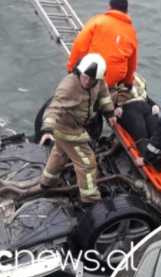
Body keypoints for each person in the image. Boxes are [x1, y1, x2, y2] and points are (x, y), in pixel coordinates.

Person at [37, 53, 118, 204]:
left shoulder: (98, 83)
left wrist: (109, 112)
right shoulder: (68, 87)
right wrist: (47, 129)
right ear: (79, 71)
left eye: (91, 79)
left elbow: (104, 94)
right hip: (67, 130)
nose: (87, 81)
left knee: (60, 154)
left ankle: (46, 183)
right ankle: (90, 199)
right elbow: (54, 108)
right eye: (85, 77)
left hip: (75, 127)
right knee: (87, 162)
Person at [67, 0, 138, 88]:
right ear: (127, 11)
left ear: (110, 8)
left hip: (91, 74)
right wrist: (128, 82)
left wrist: (71, 69)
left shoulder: (97, 20)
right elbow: (132, 63)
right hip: (112, 80)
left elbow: (79, 46)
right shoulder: (131, 32)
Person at [111, 72, 161, 157]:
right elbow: (105, 100)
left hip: (146, 105)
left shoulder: (136, 77)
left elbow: (146, 96)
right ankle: (148, 159)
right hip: (128, 107)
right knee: (141, 135)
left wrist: (155, 105)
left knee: (158, 133)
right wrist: (114, 110)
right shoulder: (112, 79)